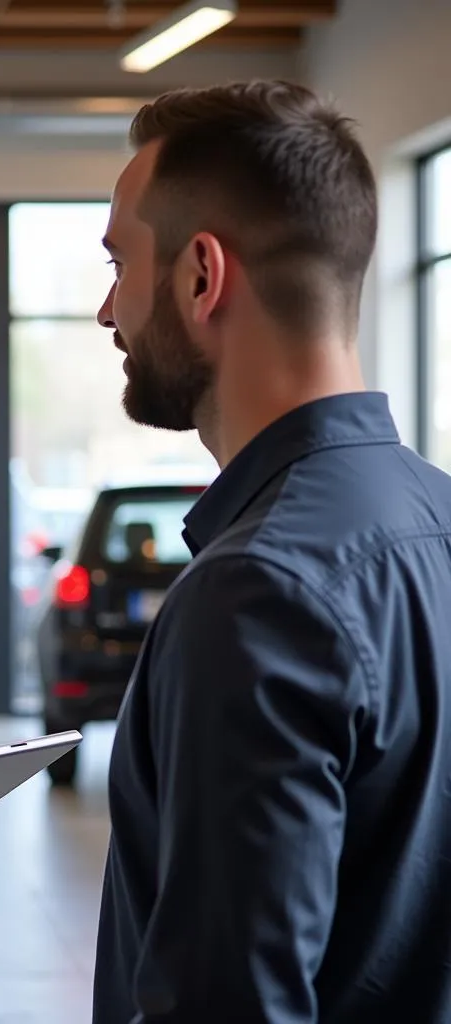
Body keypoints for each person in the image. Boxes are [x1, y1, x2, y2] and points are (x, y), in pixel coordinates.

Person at [92, 80, 451, 1023]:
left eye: (120, 264)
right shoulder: (442, 519)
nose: (106, 312)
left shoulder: (259, 590)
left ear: (201, 276)